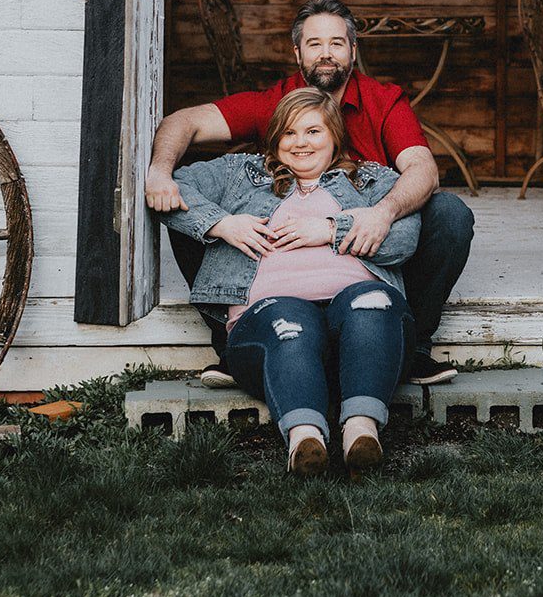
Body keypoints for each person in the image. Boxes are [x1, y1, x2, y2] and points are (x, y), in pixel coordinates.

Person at [145, 0, 474, 387]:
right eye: (315, 44)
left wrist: (380, 214)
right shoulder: (278, 102)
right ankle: (233, 345)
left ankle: (412, 345)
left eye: (337, 43)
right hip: (278, 258)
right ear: (298, 52)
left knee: (450, 214)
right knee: (189, 210)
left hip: (364, 249)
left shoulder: (383, 100)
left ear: (353, 50)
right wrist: (161, 173)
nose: (326, 54)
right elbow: (184, 122)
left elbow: (422, 169)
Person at [162, 86, 418, 473]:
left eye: (314, 131)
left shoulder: (369, 181)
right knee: (290, 322)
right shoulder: (242, 175)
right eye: (289, 133)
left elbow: (405, 233)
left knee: (371, 302)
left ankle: (361, 433)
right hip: (270, 314)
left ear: (335, 135)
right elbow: (172, 188)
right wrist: (221, 223)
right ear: (275, 138)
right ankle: (305, 439)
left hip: (359, 326)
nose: (301, 143)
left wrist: (333, 229)